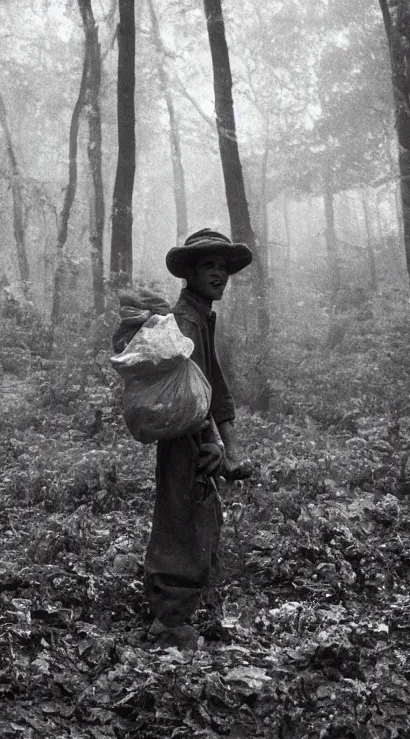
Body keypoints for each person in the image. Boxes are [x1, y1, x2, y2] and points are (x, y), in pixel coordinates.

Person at [145, 227, 254, 649]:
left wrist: (231, 447)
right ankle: (169, 622)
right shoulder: (186, 320)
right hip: (184, 433)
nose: (219, 274)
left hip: (195, 432)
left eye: (224, 267)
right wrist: (210, 442)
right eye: (210, 265)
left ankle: (180, 610)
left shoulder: (201, 315)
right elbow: (189, 394)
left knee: (197, 514)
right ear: (189, 271)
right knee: (182, 517)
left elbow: (216, 388)